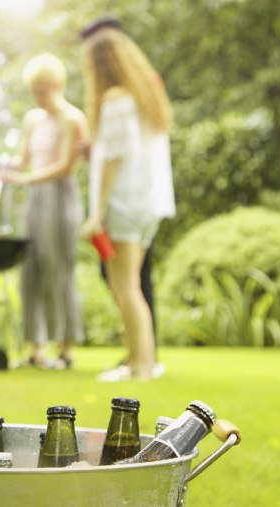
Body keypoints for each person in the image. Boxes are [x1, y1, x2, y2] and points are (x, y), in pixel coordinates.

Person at [80, 25, 175, 381]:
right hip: (148, 204)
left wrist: (97, 213)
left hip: (124, 205)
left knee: (126, 287)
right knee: (131, 286)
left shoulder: (116, 98)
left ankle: (139, 366)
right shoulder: (144, 98)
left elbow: (112, 159)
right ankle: (144, 363)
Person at [0, 53, 88, 369]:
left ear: (56, 85)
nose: (38, 96)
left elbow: (64, 166)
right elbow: (23, 161)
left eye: (43, 89)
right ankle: (35, 350)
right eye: (35, 90)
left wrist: (23, 178)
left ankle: (65, 350)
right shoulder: (32, 119)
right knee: (31, 270)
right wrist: (4, 166)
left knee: (58, 270)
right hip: (35, 199)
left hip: (60, 200)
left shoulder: (72, 118)